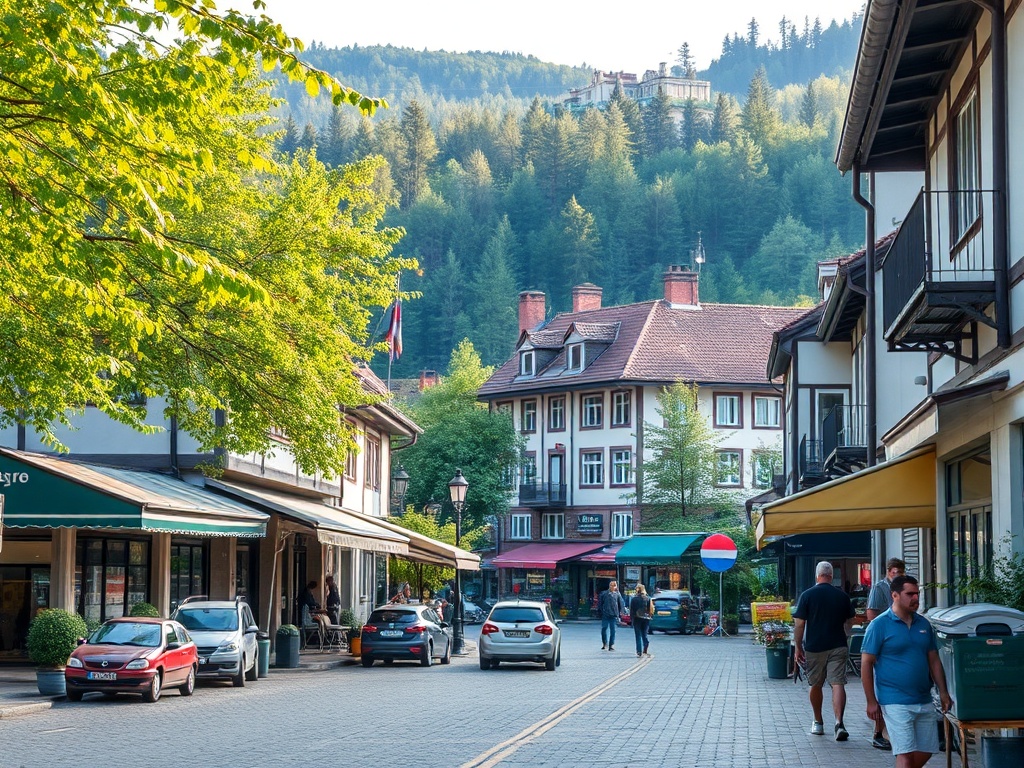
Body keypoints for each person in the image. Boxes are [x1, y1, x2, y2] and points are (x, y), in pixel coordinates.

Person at [861, 575, 951, 768]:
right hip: (894, 700)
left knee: (927, 750)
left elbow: (933, 659)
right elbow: (866, 663)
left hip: (924, 697)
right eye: (909, 594)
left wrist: (943, 691)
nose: (915, 598)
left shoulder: (924, 624)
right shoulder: (879, 625)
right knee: (905, 754)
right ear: (894, 595)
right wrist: (871, 701)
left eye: (917, 594)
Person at [793, 561, 856, 742]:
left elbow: (800, 624)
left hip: (814, 646)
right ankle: (839, 723)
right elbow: (849, 620)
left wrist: (798, 647)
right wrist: (846, 635)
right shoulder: (842, 596)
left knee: (815, 684)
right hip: (838, 644)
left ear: (817, 575)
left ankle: (818, 722)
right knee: (838, 683)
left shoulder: (807, 595)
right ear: (831, 575)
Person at [865, 557, 906, 750]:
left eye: (900, 571)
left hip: (902, 641)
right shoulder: (880, 588)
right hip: (885, 642)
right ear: (888, 571)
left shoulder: (905, 588)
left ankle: (896, 730)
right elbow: (872, 614)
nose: (896, 574)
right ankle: (878, 732)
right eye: (893, 571)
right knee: (882, 685)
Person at [598, 580, 625, 651]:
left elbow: (621, 604)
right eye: (611, 585)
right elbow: (600, 604)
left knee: (613, 630)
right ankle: (604, 643)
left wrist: (620, 613)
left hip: (614, 615)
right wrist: (601, 612)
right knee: (604, 628)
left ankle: (611, 645)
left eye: (614, 585)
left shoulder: (617, 594)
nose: (612, 587)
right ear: (609, 586)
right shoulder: (604, 594)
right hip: (605, 614)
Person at [629, 584, 653, 658]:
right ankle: (646, 644)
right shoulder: (648, 598)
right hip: (646, 619)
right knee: (644, 634)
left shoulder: (634, 599)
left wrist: (631, 619)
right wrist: (650, 616)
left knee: (638, 635)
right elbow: (651, 610)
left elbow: (632, 610)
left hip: (637, 618)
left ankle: (639, 651)